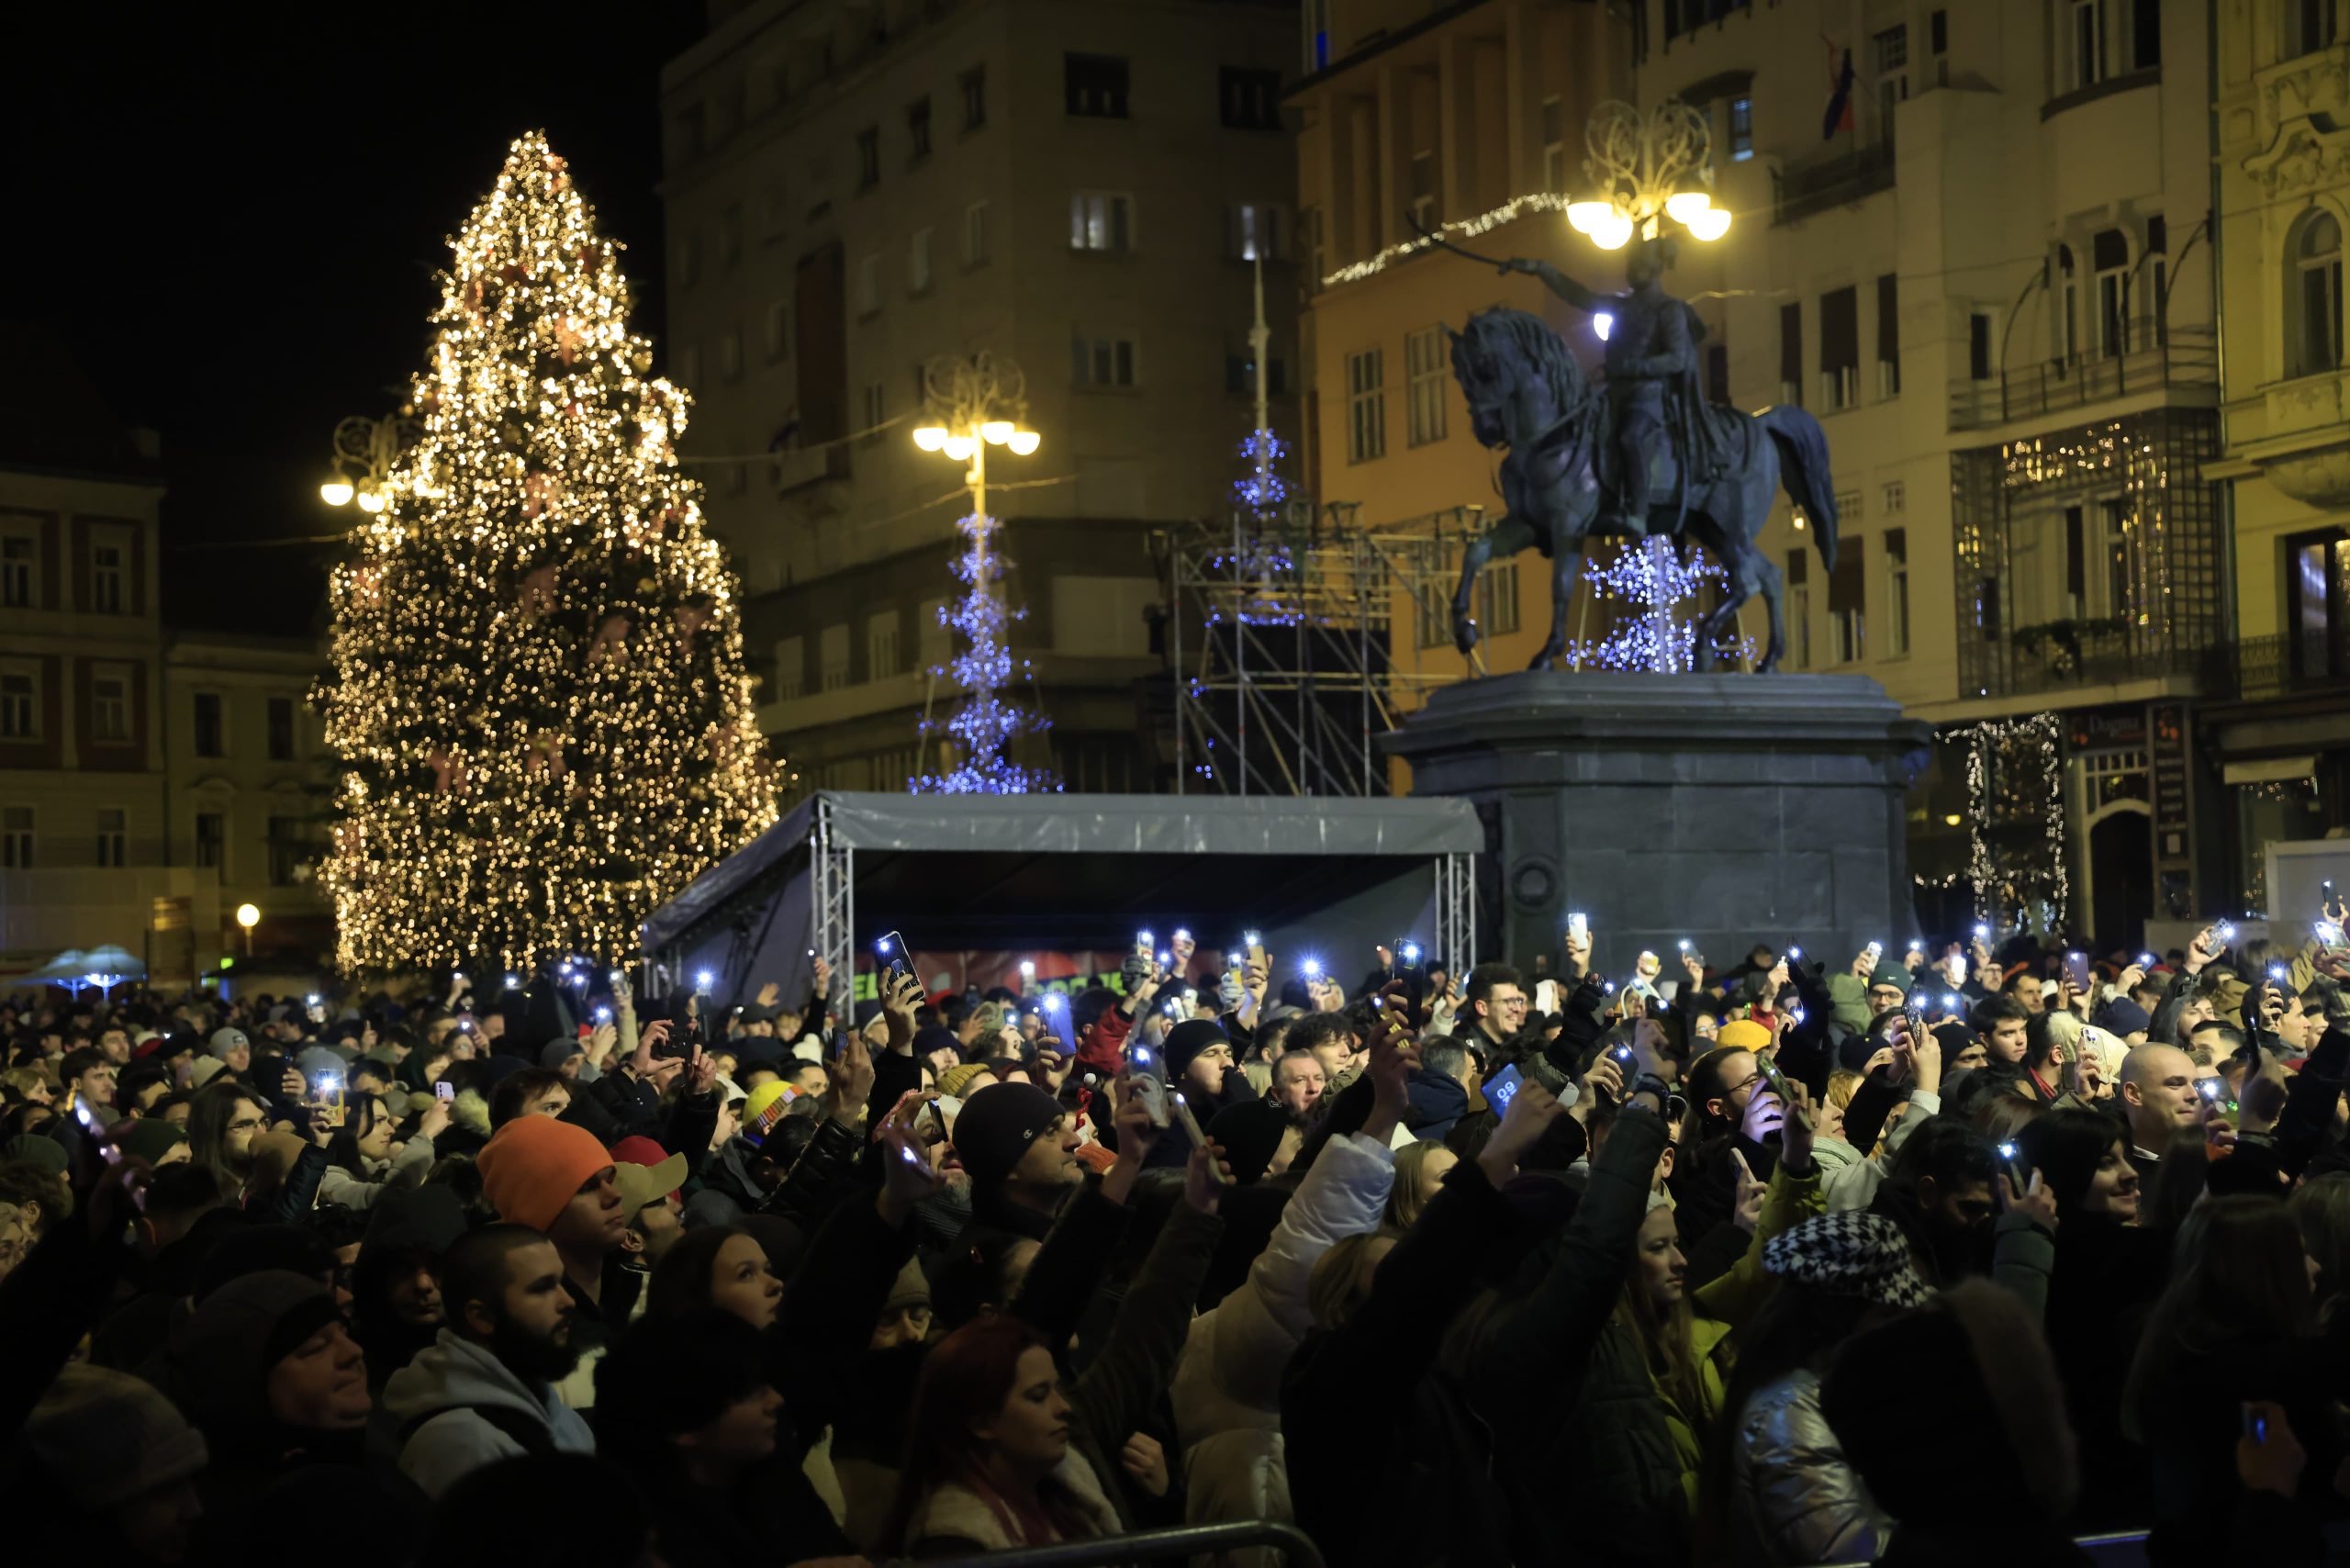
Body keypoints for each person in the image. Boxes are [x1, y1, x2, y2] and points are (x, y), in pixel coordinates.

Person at [1719, 1212, 1925, 1566]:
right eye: (1888, 1316)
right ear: (1841, 1315)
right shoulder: (1791, 1416)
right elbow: (1850, 1558)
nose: (1902, 1330)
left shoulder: (1837, 1389)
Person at [592, 1309, 865, 1567]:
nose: (776, 1400)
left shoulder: (775, 1479)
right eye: (751, 1392)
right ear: (687, 1425)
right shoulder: (639, 1535)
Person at [378, 1223, 598, 1498]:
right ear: (482, 1318)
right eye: (543, 1288)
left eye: (561, 1282)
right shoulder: (459, 1446)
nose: (568, 1301)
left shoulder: (549, 1408)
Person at [2118, 1043, 2203, 1178]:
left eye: (2197, 1085)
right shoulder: (2098, 1169)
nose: (2194, 1095)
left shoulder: (2216, 1164)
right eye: (2175, 1084)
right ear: (2133, 1094)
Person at [1460, 962, 1528, 1053]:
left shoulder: (1520, 1047)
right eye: (1509, 1001)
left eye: (1518, 1001)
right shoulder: (1464, 1053)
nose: (1518, 1009)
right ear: (1482, 1008)